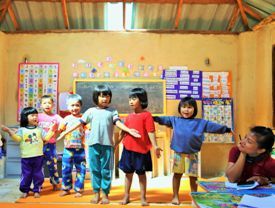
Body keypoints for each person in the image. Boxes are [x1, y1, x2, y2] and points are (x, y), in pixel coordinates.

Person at [57, 85, 140, 204]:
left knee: (106, 170)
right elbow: (78, 124)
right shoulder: (90, 111)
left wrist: (128, 130)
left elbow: (118, 123)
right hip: (93, 145)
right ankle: (96, 193)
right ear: (96, 97)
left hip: (107, 146)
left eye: (107, 96)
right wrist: (65, 132)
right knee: (95, 170)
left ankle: (105, 194)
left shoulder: (112, 111)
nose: (105, 98)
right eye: (101, 96)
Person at [153, 96, 231, 205]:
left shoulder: (200, 123)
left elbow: (213, 126)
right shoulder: (175, 120)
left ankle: (195, 197)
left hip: (193, 154)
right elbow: (163, 119)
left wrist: (226, 129)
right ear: (180, 108)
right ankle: (175, 196)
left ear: (194, 109)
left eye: (189, 107)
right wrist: (153, 118)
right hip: (178, 154)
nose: (186, 110)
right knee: (177, 175)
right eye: (184, 107)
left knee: (193, 176)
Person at [116, 88, 162, 206]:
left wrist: (155, 146)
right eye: (130, 99)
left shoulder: (147, 115)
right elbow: (123, 131)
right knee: (128, 174)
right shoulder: (129, 116)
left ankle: (143, 198)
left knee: (141, 174)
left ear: (141, 100)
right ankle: (126, 196)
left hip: (141, 151)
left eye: (134, 98)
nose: (131, 101)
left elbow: (151, 131)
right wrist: (116, 144)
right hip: (128, 149)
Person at [1, 107, 56, 198]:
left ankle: (36, 190)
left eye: (36, 115)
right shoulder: (22, 130)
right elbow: (17, 139)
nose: (35, 117)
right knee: (26, 175)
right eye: (32, 115)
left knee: (38, 174)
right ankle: (25, 190)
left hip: (38, 157)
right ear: (25, 117)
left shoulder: (39, 129)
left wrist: (51, 130)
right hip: (26, 157)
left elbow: (46, 138)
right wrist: (9, 131)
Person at [57, 94, 86, 197]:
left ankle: (79, 189)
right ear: (68, 106)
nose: (74, 108)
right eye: (72, 105)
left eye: (77, 105)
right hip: (68, 149)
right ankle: (66, 188)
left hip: (80, 149)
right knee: (66, 169)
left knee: (81, 169)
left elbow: (89, 130)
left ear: (81, 106)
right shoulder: (66, 119)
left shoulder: (84, 118)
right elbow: (59, 130)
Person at [38, 95, 63, 191]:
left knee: (52, 165)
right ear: (41, 105)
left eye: (49, 103)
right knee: (38, 166)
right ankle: (38, 184)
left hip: (51, 145)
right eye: (44, 103)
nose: (47, 105)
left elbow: (64, 124)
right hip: (38, 145)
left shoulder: (56, 117)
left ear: (53, 105)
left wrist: (58, 132)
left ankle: (55, 183)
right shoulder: (38, 116)